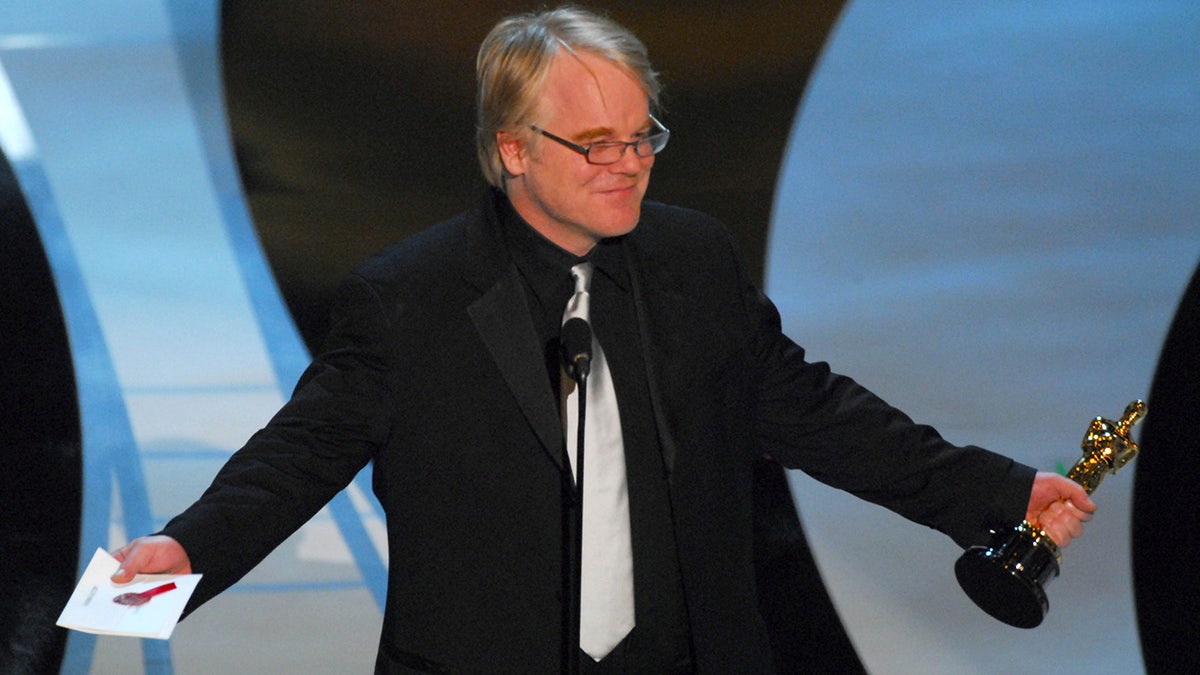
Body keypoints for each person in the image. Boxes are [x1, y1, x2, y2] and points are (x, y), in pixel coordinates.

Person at [112, 5, 1095, 672]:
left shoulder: (696, 263)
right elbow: (300, 456)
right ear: (512, 151)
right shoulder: (409, 297)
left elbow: (816, 412)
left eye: (642, 137)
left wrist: (995, 491)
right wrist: (185, 550)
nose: (629, 165)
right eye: (597, 145)